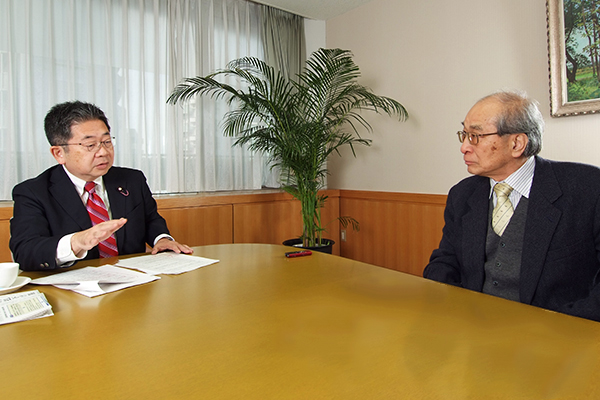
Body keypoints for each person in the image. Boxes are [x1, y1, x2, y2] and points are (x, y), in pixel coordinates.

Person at [423, 90, 600, 322]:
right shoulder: (462, 194)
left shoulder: (588, 188)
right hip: (473, 329)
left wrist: (563, 328)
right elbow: (445, 262)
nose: (464, 147)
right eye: (464, 134)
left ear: (517, 143)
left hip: (557, 339)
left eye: (475, 136)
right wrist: (453, 311)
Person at [10, 101, 193, 271]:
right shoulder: (33, 192)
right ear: (59, 153)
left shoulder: (132, 179)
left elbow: (150, 220)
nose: (103, 152)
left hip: (133, 283)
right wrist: (76, 242)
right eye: (90, 145)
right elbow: (25, 251)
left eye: (107, 142)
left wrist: (161, 239)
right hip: (75, 294)